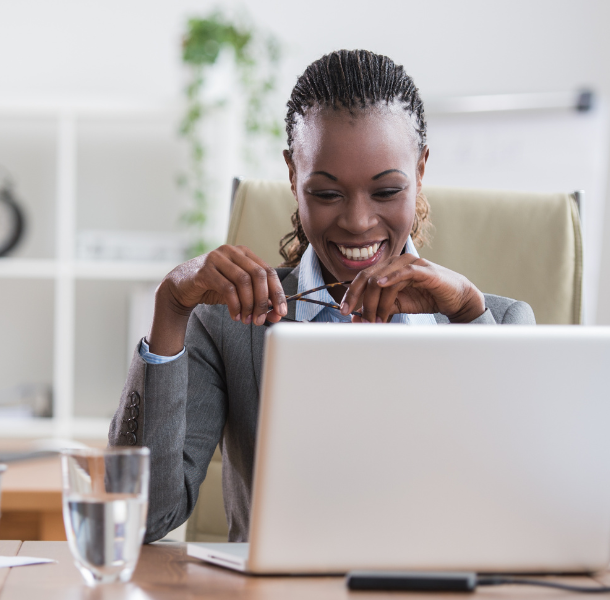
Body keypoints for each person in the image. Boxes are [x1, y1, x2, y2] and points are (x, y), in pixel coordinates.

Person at [108, 49, 536, 544]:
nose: (357, 221)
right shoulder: (225, 323)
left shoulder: (497, 323)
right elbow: (141, 518)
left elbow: (518, 515)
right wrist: (171, 306)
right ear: (293, 175)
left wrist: (468, 315)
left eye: (386, 191)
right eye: (328, 193)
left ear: (420, 171)